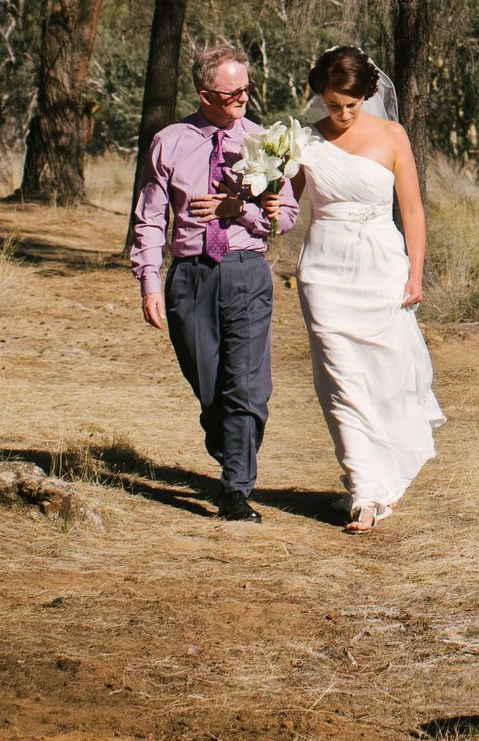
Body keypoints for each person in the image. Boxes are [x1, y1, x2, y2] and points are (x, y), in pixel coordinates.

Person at [129, 46, 298, 523]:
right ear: (205, 95)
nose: (244, 99)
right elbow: (148, 220)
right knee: (209, 387)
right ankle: (228, 449)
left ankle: (236, 488)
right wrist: (149, 281)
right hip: (191, 277)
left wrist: (238, 209)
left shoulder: (268, 143)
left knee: (248, 386)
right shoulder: (169, 142)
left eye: (247, 89)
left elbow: (285, 216)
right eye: (233, 93)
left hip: (246, 270)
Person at [285, 45, 442, 532]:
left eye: (352, 104)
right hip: (324, 271)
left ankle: (386, 475)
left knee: (384, 376)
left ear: (367, 96)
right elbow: (286, 208)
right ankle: (363, 493)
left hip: (380, 267)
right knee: (340, 380)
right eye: (334, 105)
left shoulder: (392, 136)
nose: (344, 114)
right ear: (320, 97)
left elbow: (412, 210)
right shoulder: (304, 141)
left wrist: (415, 274)